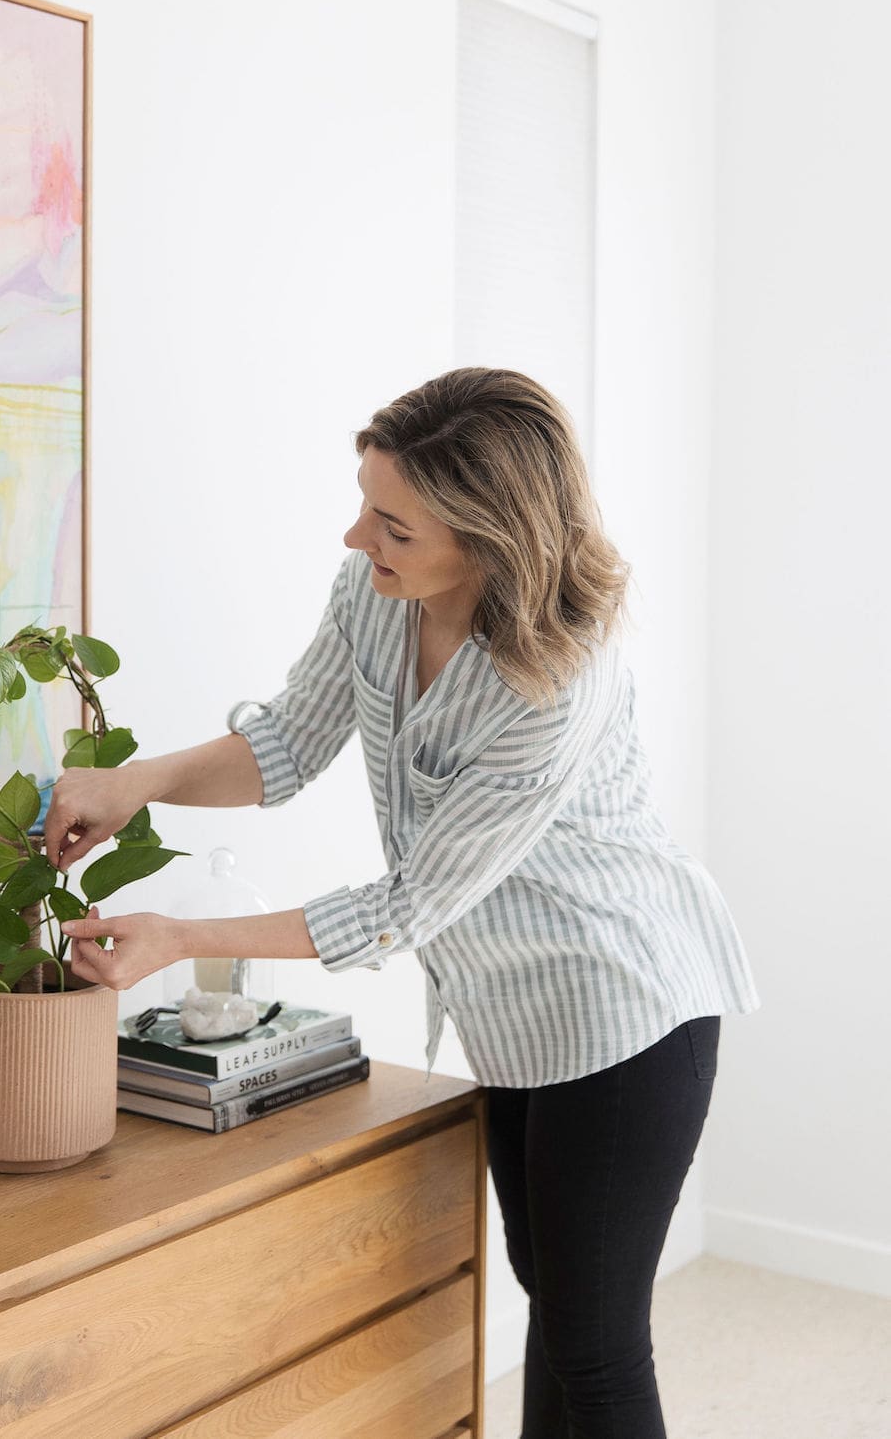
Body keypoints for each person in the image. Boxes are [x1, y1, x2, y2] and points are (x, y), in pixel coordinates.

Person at [45, 366, 760, 1439]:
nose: (353, 538)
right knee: (555, 1301)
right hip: (508, 1010)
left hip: (622, 1007)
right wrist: (131, 780)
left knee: (596, 1343)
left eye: (391, 524)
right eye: (364, 504)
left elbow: (404, 905)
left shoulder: (553, 680)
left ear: (487, 537)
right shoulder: (377, 596)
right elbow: (285, 745)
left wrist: (179, 937)